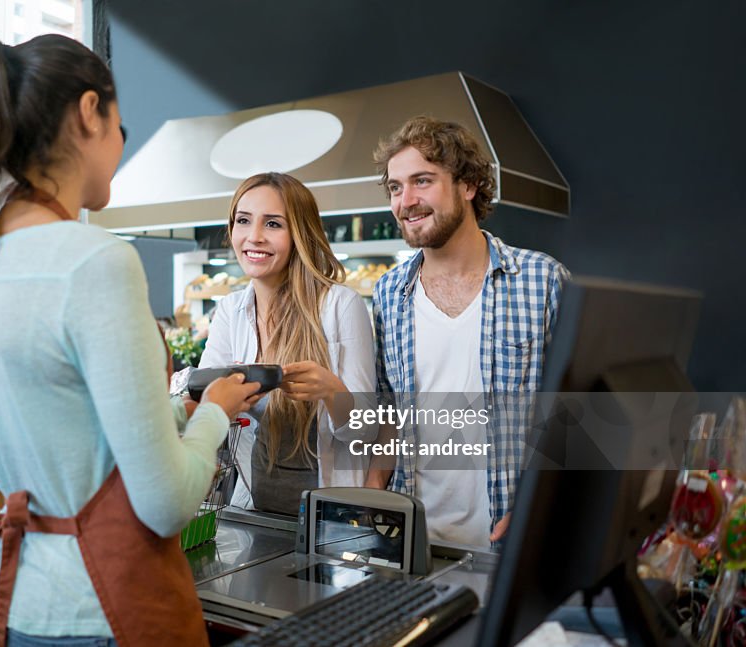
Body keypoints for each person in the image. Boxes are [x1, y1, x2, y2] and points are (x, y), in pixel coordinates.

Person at [0, 35, 259, 647]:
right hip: (101, 609)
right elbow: (166, 503)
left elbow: (62, 439)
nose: (122, 143)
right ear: (88, 112)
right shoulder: (96, 262)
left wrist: (171, 417)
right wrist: (211, 417)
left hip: (5, 601)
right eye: (120, 125)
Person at [365, 116, 569, 548]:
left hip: (510, 542)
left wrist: (542, 505)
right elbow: (389, 416)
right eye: (395, 188)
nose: (406, 200)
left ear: (469, 184)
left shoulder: (541, 280)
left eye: (422, 181)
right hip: (413, 544)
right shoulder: (388, 293)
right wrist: (371, 498)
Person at [199, 172, 377, 516]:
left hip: (330, 519)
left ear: (300, 232)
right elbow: (205, 397)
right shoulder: (230, 310)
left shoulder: (340, 305)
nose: (254, 237)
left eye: (273, 224)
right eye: (243, 220)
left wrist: (331, 390)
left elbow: (366, 431)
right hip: (252, 512)